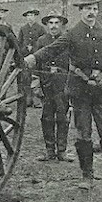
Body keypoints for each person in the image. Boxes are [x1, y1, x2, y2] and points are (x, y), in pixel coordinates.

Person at [23, 0, 102, 192]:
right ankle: (87, 177)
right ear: (80, 11)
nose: (91, 12)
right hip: (79, 92)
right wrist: (31, 59)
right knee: (83, 136)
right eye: (87, 8)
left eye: (94, 8)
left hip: (101, 92)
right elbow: (52, 49)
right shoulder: (72, 34)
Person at [34, 10, 73, 162]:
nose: (54, 26)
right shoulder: (41, 41)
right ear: (46, 25)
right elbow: (36, 64)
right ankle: (50, 151)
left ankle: (62, 151)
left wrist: (69, 84)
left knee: (62, 117)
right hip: (46, 84)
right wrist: (36, 85)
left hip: (62, 84)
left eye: (57, 23)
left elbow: (72, 63)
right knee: (46, 118)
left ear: (62, 25)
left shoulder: (67, 40)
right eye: (51, 23)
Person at [18, 8, 46, 108]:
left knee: (36, 78)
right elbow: (19, 42)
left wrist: (34, 48)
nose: (30, 18)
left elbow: (44, 43)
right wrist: (24, 50)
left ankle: (37, 100)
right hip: (25, 56)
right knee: (26, 78)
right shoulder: (23, 28)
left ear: (36, 17)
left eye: (32, 15)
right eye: (28, 16)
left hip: (36, 56)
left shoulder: (40, 28)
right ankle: (27, 100)